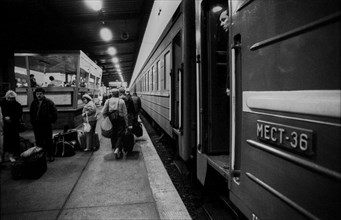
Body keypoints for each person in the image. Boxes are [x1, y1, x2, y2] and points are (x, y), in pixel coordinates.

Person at [30, 87, 58, 162]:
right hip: (37, 125)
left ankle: (50, 155)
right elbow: (32, 114)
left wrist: (49, 121)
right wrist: (33, 122)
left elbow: (55, 114)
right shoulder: (34, 103)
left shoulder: (49, 102)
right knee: (39, 141)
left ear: (43, 94)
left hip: (46, 125)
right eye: (37, 94)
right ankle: (41, 156)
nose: (39, 95)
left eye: (40, 94)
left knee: (48, 140)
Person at [102, 89, 128, 159]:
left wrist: (106, 118)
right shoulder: (121, 101)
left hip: (111, 119)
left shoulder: (108, 101)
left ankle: (114, 147)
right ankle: (117, 148)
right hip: (120, 119)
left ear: (112, 94)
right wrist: (127, 123)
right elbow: (125, 113)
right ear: (118, 94)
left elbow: (103, 112)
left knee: (113, 133)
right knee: (120, 134)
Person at [0, 90, 23, 162]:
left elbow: (19, 115)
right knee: (3, 142)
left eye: (12, 98)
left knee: (13, 142)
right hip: (4, 126)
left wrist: (11, 119)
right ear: (6, 97)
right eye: (8, 98)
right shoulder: (2, 104)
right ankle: (2, 157)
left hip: (13, 126)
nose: (10, 99)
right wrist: (4, 118)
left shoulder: (17, 105)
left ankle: (11, 156)